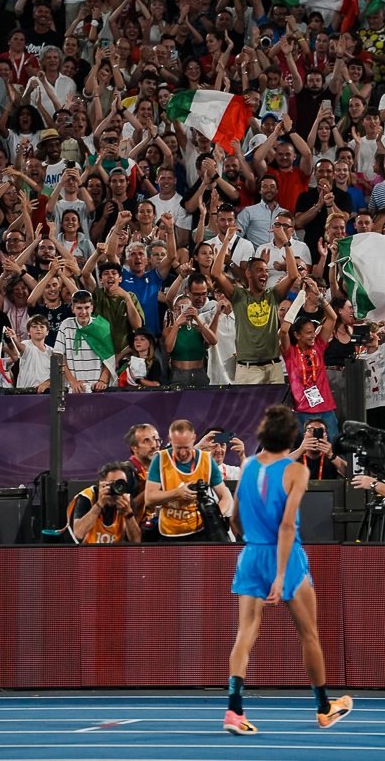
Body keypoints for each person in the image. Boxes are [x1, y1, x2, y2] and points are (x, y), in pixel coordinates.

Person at [225, 404, 353, 734]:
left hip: (251, 554)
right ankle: (324, 708)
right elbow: (286, 526)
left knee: (245, 633)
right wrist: (280, 575)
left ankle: (234, 711)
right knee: (308, 634)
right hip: (286, 557)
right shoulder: (296, 471)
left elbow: (234, 519)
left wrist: (253, 543)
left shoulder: (248, 465)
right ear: (292, 436)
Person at [212, 224, 298, 385]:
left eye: (266, 270)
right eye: (259, 270)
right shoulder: (239, 295)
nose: (265, 273)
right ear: (248, 273)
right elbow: (216, 274)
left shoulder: (273, 295)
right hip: (247, 369)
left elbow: (293, 275)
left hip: (273, 366)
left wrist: (286, 242)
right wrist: (227, 241)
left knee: (277, 403)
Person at [144, 418, 231, 541]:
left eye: (186, 447)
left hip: (200, 530)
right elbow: (149, 499)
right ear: (170, 440)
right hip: (169, 532)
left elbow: (225, 497)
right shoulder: (160, 459)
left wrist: (215, 515)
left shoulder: (206, 460)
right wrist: (177, 492)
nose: (183, 453)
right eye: (178, 448)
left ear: (193, 439)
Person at [279, 280, 339, 440]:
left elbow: (332, 318)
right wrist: (299, 298)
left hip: (326, 408)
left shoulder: (318, 345)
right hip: (302, 411)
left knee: (332, 447)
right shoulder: (290, 352)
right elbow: (284, 331)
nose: (313, 335)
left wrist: (318, 295)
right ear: (297, 335)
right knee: (305, 449)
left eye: (313, 331)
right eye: (308, 333)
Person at [53, 288, 117, 392]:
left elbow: (109, 358)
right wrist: (73, 381)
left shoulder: (101, 326)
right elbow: (57, 356)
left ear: (92, 308)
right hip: (73, 388)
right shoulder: (66, 325)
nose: (83, 312)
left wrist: (103, 380)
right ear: (72, 309)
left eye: (87, 307)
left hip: (96, 387)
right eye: (79, 308)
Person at [70, 462, 141, 544]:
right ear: (101, 484)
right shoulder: (87, 497)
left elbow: (136, 541)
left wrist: (128, 514)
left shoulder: (126, 500)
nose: (117, 488)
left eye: (121, 484)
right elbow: (78, 534)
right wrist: (99, 505)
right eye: (113, 483)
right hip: (87, 550)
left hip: (113, 551)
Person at [4, 315, 52, 391]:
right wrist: (15, 338)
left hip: (45, 393)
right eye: (34, 326)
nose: (38, 329)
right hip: (25, 392)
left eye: (42, 326)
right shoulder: (26, 344)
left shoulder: (52, 351)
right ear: (28, 331)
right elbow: (20, 347)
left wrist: (48, 382)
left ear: (47, 332)